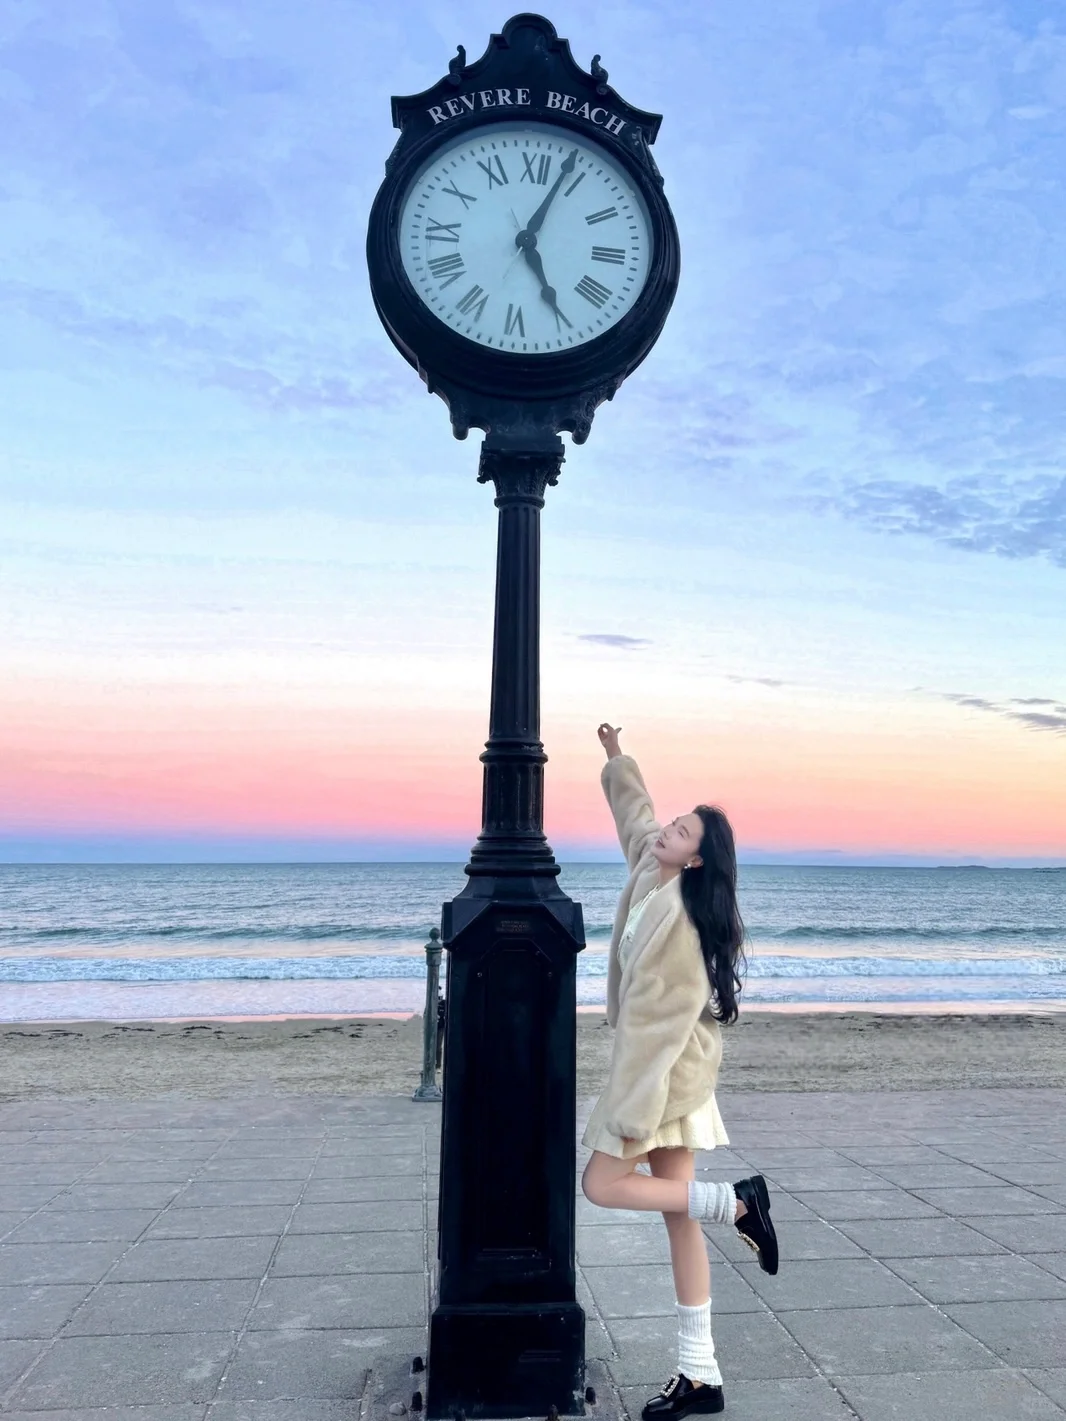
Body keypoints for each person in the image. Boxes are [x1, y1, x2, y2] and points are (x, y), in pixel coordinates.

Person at [581, 724, 778, 1419]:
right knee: (674, 1210)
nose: (669, 828)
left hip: (665, 1075)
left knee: (601, 1183)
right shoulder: (649, 869)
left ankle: (737, 1203)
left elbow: (658, 1029)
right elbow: (637, 816)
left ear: (696, 861)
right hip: (662, 1067)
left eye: (684, 830)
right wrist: (616, 757)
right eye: (677, 821)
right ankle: (702, 1374)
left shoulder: (683, 925)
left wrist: (627, 1112)